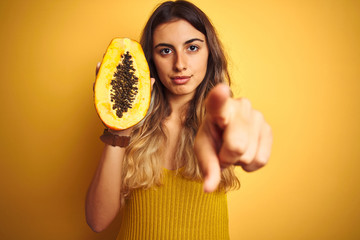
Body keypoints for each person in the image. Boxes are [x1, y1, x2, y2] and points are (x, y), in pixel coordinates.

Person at [86, 0, 273, 239]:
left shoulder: (219, 120)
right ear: (150, 61)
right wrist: (118, 128)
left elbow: (242, 127)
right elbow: (97, 221)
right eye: (166, 50)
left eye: (192, 48)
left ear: (210, 53)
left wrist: (245, 134)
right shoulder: (134, 128)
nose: (180, 64)